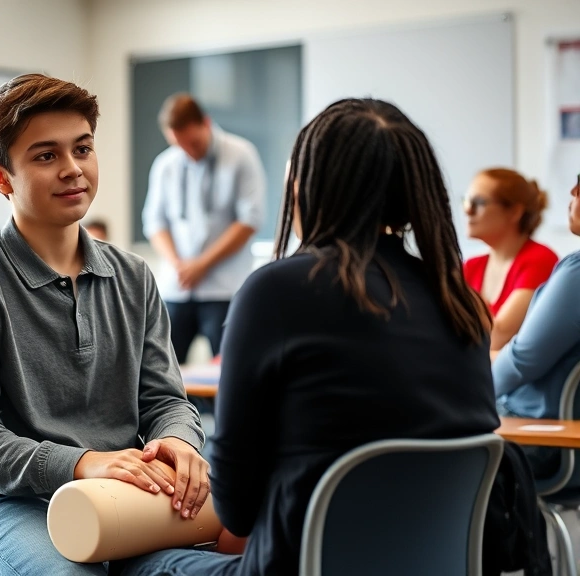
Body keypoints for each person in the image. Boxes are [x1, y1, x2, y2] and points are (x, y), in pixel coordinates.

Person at [119, 99, 503, 575]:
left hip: (298, 565)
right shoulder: (457, 296)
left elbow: (237, 508)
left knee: (130, 561)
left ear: (307, 187)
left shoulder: (278, 291)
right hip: (432, 566)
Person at [0, 74, 208, 575]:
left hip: (117, 492)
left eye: (83, 148)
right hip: (1, 503)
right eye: (45, 155)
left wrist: (181, 441)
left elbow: (165, 400)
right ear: (0, 178)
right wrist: (82, 463)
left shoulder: (134, 276)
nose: (73, 169)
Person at [141, 93, 266, 364]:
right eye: (178, 144)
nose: (187, 151)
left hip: (225, 288)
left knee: (230, 369)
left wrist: (202, 265)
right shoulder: (166, 164)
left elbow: (249, 220)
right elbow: (155, 222)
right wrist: (178, 264)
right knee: (163, 371)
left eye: (192, 142)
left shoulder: (241, 154)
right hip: (177, 287)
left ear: (206, 123)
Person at [493, 176, 580, 480]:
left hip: (545, 443)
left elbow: (522, 359)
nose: (572, 191)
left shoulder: (577, 271)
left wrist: (470, 389)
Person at [463, 168, 557, 351]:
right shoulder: (471, 265)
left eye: (479, 202)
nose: (468, 210)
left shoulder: (540, 259)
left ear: (515, 212)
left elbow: (496, 337)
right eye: (466, 201)